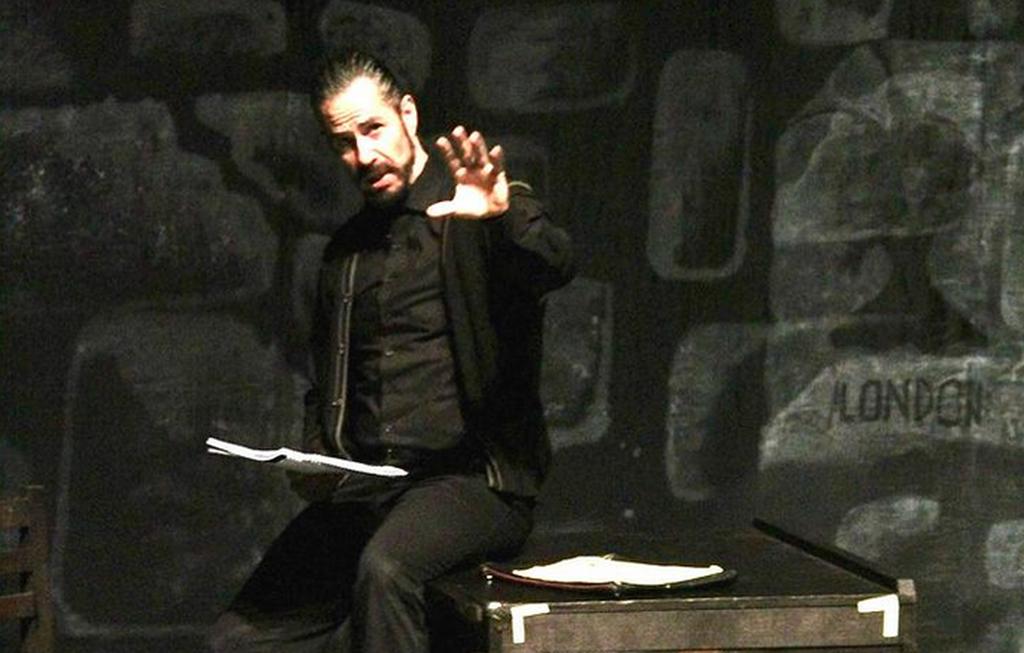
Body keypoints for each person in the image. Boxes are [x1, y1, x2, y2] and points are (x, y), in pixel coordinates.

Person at [209, 50, 575, 652]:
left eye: (373, 128)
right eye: (344, 143)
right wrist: (315, 460)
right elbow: (328, 379)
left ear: (408, 113)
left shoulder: (474, 205)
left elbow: (553, 264)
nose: (363, 154)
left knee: (385, 572)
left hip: (471, 484)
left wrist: (499, 217)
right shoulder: (346, 252)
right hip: (368, 490)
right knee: (237, 641)